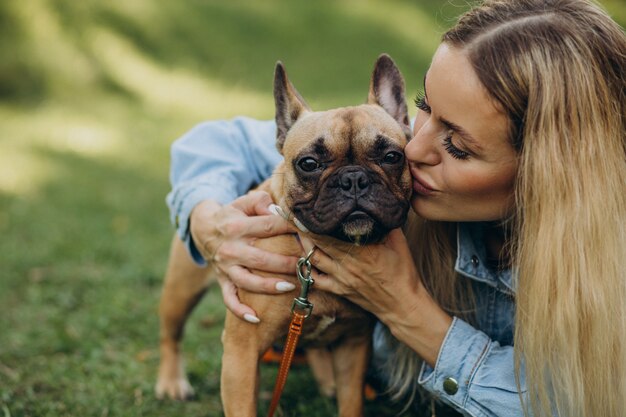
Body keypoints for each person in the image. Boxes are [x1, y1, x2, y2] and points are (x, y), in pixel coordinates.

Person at [165, 0, 626, 416]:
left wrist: (408, 310)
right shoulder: (383, 143)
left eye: (457, 145)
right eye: (424, 109)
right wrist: (207, 220)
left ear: (546, 170)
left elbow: (565, 405)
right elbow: (221, 140)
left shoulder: (604, 278)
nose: (415, 147)